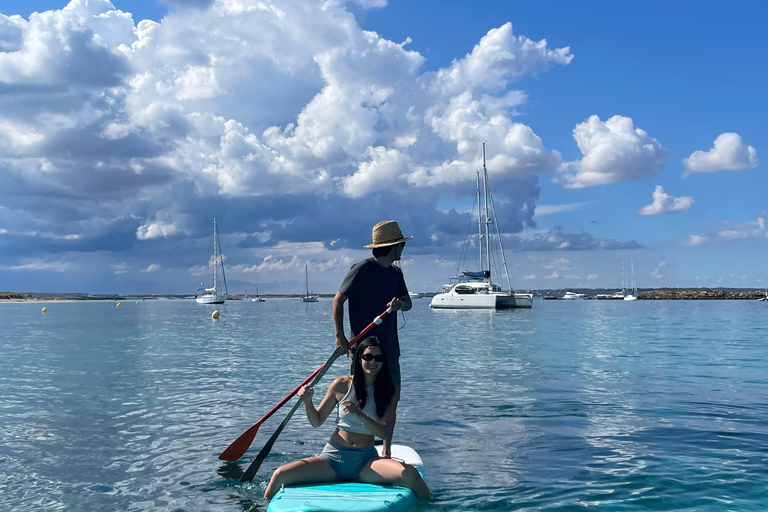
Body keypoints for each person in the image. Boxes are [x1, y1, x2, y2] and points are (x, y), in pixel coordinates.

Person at [263, 337, 430, 501]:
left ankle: (433, 506)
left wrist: (359, 415)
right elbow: (317, 421)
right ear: (359, 359)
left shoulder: (390, 391)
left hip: (366, 462)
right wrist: (308, 401)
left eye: (378, 358)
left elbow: (385, 433)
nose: (373, 362)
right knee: (279, 475)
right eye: (368, 357)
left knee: (411, 475)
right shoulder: (341, 385)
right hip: (333, 458)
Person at [333, 220, 413, 457]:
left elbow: (407, 303)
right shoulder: (361, 269)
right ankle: (355, 445)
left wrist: (400, 305)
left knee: (391, 397)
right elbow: (338, 300)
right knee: (359, 397)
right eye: (401, 245)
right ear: (392, 246)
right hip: (362, 352)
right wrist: (340, 336)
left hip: (389, 349)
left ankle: (386, 450)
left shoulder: (396, 273)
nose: (403, 249)